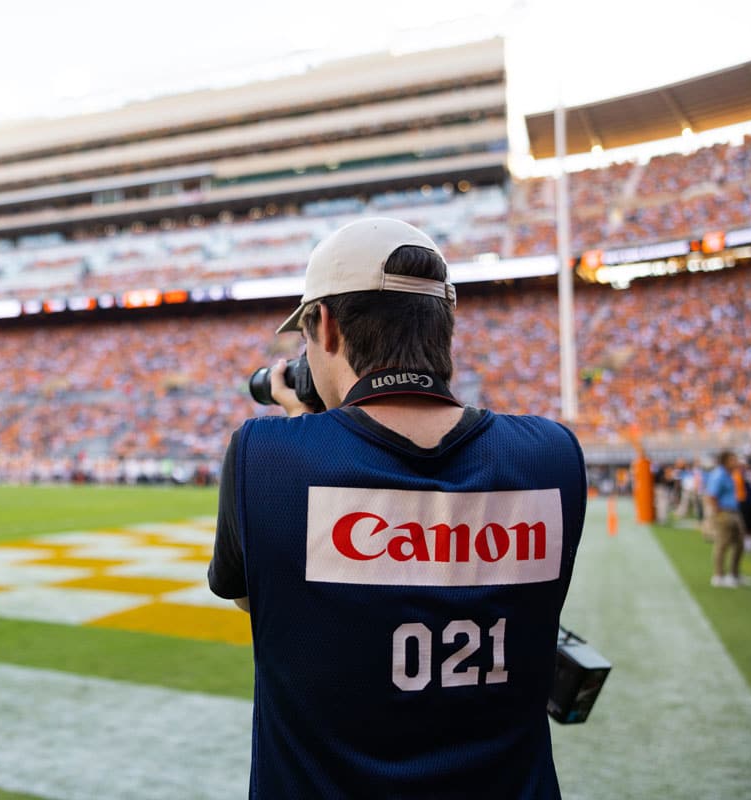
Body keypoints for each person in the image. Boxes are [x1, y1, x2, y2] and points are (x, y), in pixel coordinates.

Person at [209, 218, 586, 799]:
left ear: (326, 328)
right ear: (446, 327)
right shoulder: (551, 457)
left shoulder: (265, 457)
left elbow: (255, 593)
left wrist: (302, 426)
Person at [703, 451, 746, 588]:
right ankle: (719, 575)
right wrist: (718, 513)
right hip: (725, 512)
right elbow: (711, 496)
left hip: (734, 511)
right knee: (722, 544)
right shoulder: (719, 474)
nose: (736, 462)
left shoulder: (729, 474)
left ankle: (733, 574)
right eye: (733, 460)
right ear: (725, 461)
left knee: (739, 544)